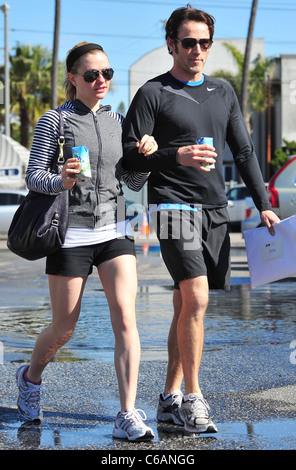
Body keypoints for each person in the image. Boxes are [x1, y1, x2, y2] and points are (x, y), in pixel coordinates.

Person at [122, 6, 280, 434]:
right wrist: (174, 155)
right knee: (197, 299)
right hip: (171, 205)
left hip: (214, 210)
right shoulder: (152, 94)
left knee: (184, 305)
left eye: (204, 42)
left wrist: (262, 202)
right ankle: (194, 398)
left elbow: (244, 152)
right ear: (171, 43)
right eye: (188, 42)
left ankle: (169, 398)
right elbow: (127, 164)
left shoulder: (223, 92)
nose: (197, 50)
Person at [16, 41, 158, 442]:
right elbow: (33, 177)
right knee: (64, 327)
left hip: (114, 229)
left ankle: (127, 414)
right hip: (70, 233)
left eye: (107, 74)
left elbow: (130, 182)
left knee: (126, 318)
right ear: (73, 79)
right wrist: (61, 179)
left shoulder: (118, 120)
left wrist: (144, 159)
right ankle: (30, 377)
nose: (101, 81)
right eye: (92, 74)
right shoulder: (54, 121)